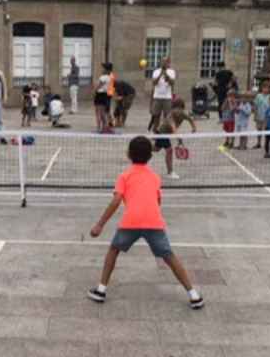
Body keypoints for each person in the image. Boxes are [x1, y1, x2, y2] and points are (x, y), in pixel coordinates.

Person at [87, 136, 204, 310]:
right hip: (154, 223)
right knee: (169, 256)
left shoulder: (124, 176)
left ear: (128, 154)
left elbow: (116, 201)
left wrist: (100, 225)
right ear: (150, 156)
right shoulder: (155, 177)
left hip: (130, 222)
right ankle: (193, 295)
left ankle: (101, 290)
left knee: (114, 250)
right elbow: (157, 202)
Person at [149, 57, 176, 131]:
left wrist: (166, 75)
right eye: (162, 62)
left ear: (168, 63)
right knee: (156, 115)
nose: (164, 63)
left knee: (167, 116)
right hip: (157, 97)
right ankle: (155, 132)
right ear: (160, 62)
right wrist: (161, 74)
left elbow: (172, 83)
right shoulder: (156, 72)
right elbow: (154, 83)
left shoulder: (172, 72)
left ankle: (165, 131)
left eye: (166, 62)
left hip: (167, 97)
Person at [94, 62, 114, 133]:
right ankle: (104, 126)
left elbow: (99, 85)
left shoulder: (104, 77)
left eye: (103, 68)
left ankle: (102, 127)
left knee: (99, 112)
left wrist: (94, 91)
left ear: (107, 70)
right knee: (102, 112)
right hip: (104, 94)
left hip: (100, 94)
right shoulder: (110, 77)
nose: (102, 69)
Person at [253, 80, 270, 150]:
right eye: (264, 88)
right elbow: (255, 106)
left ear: (269, 89)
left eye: (267, 88)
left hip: (267, 117)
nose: (265, 90)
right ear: (262, 88)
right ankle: (258, 142)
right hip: (259, 116)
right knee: (259, 130)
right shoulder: (258, 96)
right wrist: (255, 115)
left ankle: (267, 142)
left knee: (267, 130)